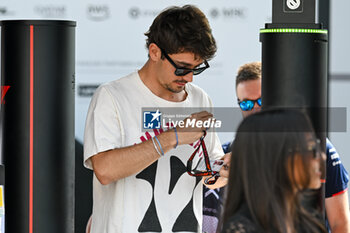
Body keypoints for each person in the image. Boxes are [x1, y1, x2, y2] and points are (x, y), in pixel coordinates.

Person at [83, 5, 230, 233]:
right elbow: (104, 170)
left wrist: (224, 170)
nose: (189, 78)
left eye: (196, 69)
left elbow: (208, 170)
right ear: (154, 52)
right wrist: (171, 137)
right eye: (182, 68)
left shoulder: (201, 98)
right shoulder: (113, 96)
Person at [230, 61, 350, 232]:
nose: (255, 108)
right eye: (246, 104)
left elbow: (340, 223)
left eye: (262, 100)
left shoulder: (318, 149)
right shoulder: (233, 152)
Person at [220, 109, 327, 233]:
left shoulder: (311, 224)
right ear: (277, 156)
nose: (321, 156)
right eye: (310, 148)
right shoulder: (241, 229)